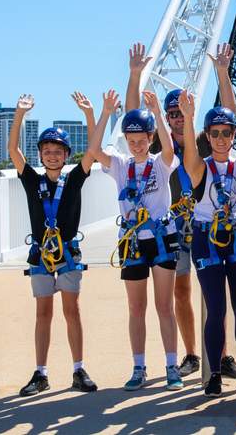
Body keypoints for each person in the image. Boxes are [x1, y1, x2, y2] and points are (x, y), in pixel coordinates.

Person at [125, 42, 236, 379]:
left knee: (214, 292)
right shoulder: (158, 143)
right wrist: (134, 76)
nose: (178, 118)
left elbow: (229, 116)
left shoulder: (203, 138)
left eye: (181, 111)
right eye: (173, 113)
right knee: (181, 291)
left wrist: (222, 74)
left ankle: (221, 355)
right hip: (172, 228)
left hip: (207, 222)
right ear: (166, 117)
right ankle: (192, 354)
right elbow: (133, 119)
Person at [88, 88, 184, 391]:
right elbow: (94, 150)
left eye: (142, 140)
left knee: (164, 306)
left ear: (151, 138)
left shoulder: (160, 164)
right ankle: (139, 367)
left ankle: (171, 366)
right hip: (132, 241)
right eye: (131, 141)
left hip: (161, 238)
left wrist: (157, 113)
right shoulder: (120, 164)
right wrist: (105, 112)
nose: (137, 145)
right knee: (135, 308)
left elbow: (169, 150)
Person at [15, 92, 102, 396]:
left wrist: (89, 114)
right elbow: (13, 151)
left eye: (58, 151)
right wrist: (20, 114)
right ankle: (41, 373)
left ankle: (78, 369)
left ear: (66, 155)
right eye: (47, 151)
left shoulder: (75, 179)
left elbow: (93, 150)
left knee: (71, 311)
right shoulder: (32, 181)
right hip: (41, 254)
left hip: (67, 253)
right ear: (40, 155)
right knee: (43, 313)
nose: (52, 156)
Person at [179, 90, 236, 397]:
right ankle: (214, 374)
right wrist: (188, 118)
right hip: (207, 239)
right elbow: (189, 153)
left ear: (232, 134)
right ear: (208, 136)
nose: (222, 139)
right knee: (216, 309)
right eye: (215, 133)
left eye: (227, 133)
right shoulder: (200, 168)